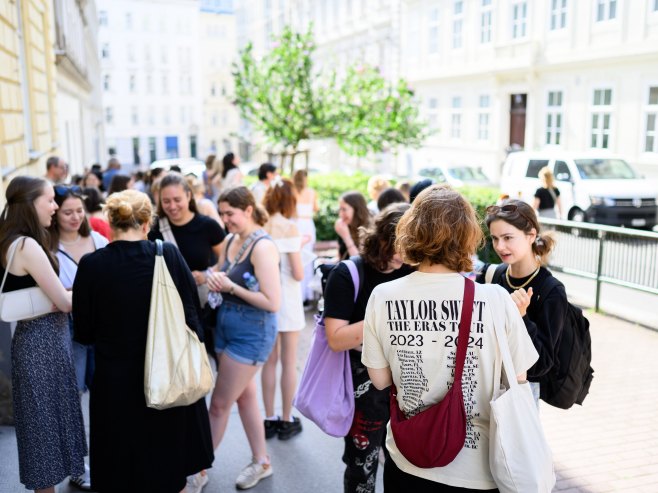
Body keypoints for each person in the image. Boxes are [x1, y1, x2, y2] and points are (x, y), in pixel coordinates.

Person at [361, 186, 539, 492]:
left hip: (407, 458)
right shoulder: (496, 299)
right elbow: (519, 376)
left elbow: (379, 381)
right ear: (467, 236)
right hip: (477, 469)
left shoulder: (383, 296)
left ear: (411, 230)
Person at [72, 190, 214, 493]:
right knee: (168, 469)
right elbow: (192, 314)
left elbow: (83, 333)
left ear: (110, 222)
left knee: (120, 471)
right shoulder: (168, 255)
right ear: (147, 221)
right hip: (167, 376)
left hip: (114, 384)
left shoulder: (92, 265)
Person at [0, 176, 87, 493]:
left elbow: (58, 300)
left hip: (35, 341)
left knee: (43, 429)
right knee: (45, 432)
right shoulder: (27, 245)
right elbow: (64, 303)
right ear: (30, 204)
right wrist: (90, 291)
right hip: (43, 346)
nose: (55, 206)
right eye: (49, 200)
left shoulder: (10, 239)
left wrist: (61, 298)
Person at [323, 203, 413, 493]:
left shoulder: (414, 270)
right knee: (362, 468)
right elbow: (335, 338)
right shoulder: (348, 274)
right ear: (383, 238)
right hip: (364, 392)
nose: (407, 254)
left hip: (409, 386)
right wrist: (383, 313)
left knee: (407, 468)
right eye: (401, 245)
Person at [206, 186, 280, 490]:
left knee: (219, 405)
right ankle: (261, 461)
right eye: (221, 213)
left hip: (252, 331)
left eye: (230, 213)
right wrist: (211, 276)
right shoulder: (230, 240)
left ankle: (197, 469)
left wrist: (230, 288)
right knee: (246, 397)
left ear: (248, 209)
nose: (225, 220)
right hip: (226, 326)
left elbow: (272, 302)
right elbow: (220, 272)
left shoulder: (262, 247)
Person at [47, 185, 109, 491]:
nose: (75, 217)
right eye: (67, 211)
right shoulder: (47, 246)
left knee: (105, 393)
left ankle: (106, 458)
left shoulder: (97, 240)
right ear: (55, 212)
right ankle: (76, 466)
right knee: (72, 398)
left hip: (102, 327)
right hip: (67, 328)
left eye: (79, 211)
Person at [477, 199, 568, 403]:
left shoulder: (551, 290)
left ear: (531, 235)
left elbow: (542, 364)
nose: (500, 246)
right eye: (495, 238)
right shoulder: (491, 275)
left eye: (508, 237)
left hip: (521, 394)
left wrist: (522, 318)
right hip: (482, 385)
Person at [148, 173, 226, 358]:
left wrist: (207, 274)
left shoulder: (207, 226)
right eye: (166, 201)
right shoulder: (154, 228)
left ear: (189, 196)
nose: (172, 206)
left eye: (177, 199)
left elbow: (228, 260)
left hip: (204, 307)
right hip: (170, 309)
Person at [260, 178, 305, 440]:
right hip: (287, 299)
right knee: (288, 362)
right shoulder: (290, 228)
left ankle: (268, 417)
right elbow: (298, 273)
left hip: (266, 298)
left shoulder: (262, 226)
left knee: (270, 361)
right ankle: (287, 419)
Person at [292, 169, 319, 303]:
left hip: (296, 224)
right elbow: (316, 208)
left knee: (296, 257)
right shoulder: (311, 192)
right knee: (307, 260)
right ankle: (306, 296)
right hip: (307, 224)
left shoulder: (292, 192)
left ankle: (298, 294)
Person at [334, 191, 371, 260]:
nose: (340, 214)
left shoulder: (368, 230)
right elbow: (339, 258)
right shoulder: (346, 227)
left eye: (344, 209)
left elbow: (359, 261)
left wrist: (346, 237)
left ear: (357, 210)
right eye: (340, 209)